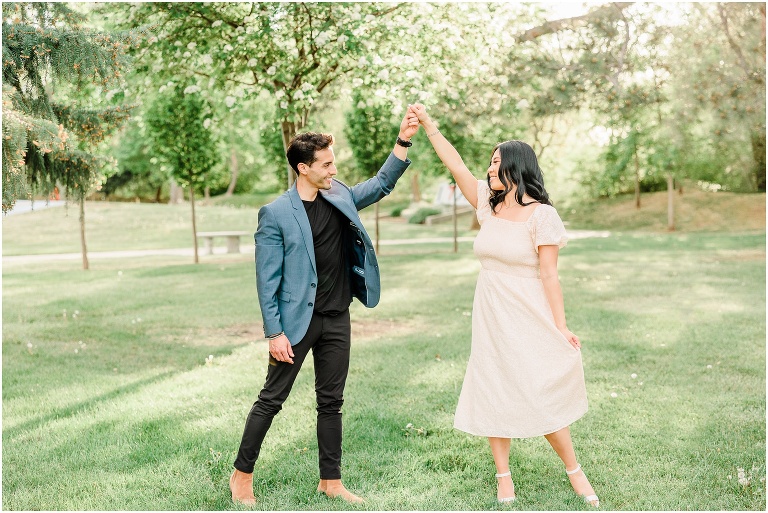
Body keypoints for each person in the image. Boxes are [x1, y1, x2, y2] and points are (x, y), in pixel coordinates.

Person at [409, 103, 599, 507]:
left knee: (538, 389)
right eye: (490, 163)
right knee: (494, 385)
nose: (490, 169)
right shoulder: (487, 204)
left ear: (516, 167)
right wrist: (428, 125)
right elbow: (456, 165)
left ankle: (574, 470)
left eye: (497, 163)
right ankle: (503, 477)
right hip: (491, 313)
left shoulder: (543, 216)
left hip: (529, 313)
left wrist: (561, 326)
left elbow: (550, 275)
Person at [229, 108, 420, 505]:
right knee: (271, 399)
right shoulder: (276, 214)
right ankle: (241, 475)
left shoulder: (339, 195)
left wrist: (403, 140)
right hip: (295, 324)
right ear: (304, 168)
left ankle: (331, 482)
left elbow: (382, 183)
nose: (334, 169)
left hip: (337, 318)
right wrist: (274, 333)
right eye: (327, 164)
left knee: (331, 403)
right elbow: (267, 280)